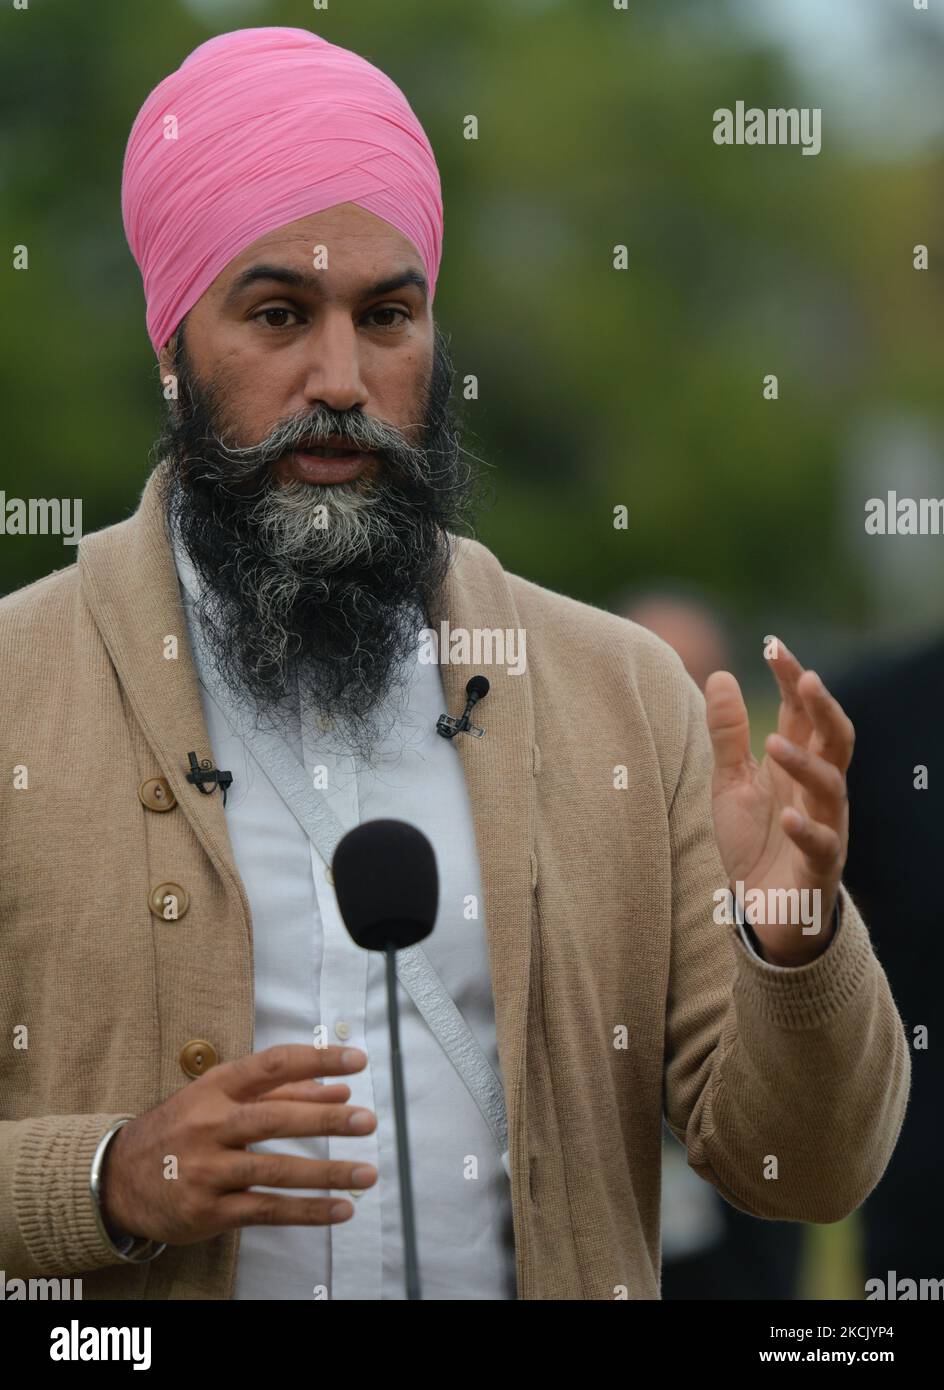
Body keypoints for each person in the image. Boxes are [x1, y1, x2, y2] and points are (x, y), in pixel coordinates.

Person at [0, 26, 910, 1302]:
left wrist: (791, 940)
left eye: (386, 316)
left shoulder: (622, 697)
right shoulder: (16, 692)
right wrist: (103, 1176)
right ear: (171, 347)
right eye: (275, 314)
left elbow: (802, 1175)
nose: (341, 379)